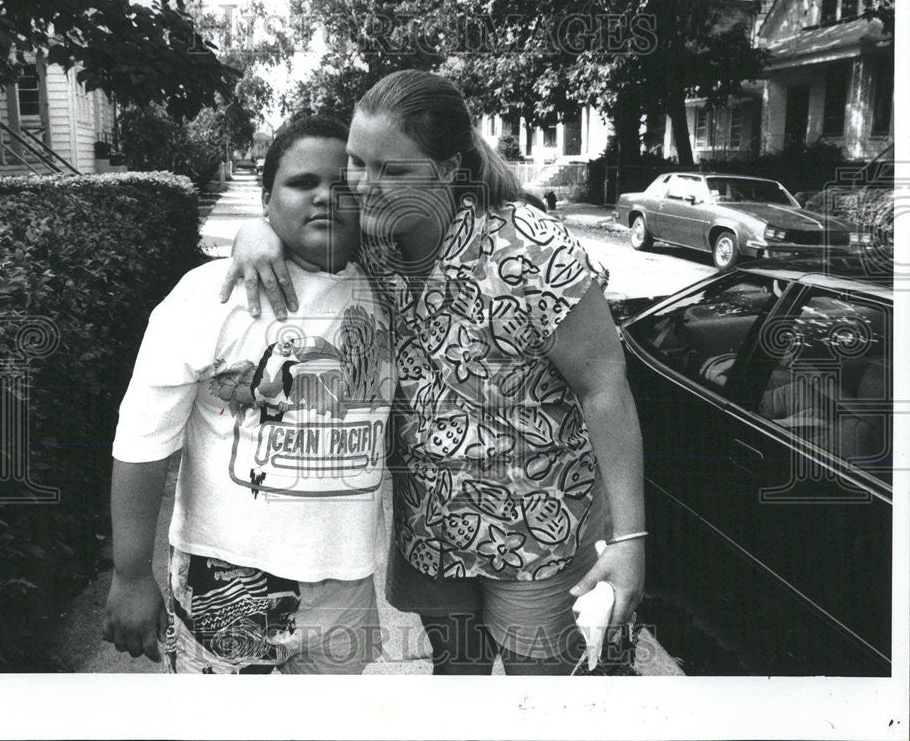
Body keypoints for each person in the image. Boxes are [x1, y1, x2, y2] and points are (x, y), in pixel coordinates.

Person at [220, 70, 645, 675]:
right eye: (357, 165)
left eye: (392, 171)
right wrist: (254, 230)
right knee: (458, 685)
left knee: (545, 703)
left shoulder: (533, 251)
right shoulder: (367, 243)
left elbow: (605, 389)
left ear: (447, 170)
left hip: (538, 532)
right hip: (433, 527)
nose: (363, 188)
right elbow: (291, 223)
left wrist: (630, 541)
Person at [103, 116, 395, 674]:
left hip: (346, 583)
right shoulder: (208, 296)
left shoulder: (390, 290)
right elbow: (142, 439)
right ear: (266, 199)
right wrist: (130, 573)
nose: (325, 197)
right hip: (226, 579)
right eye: (301, 182)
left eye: (344, 185)